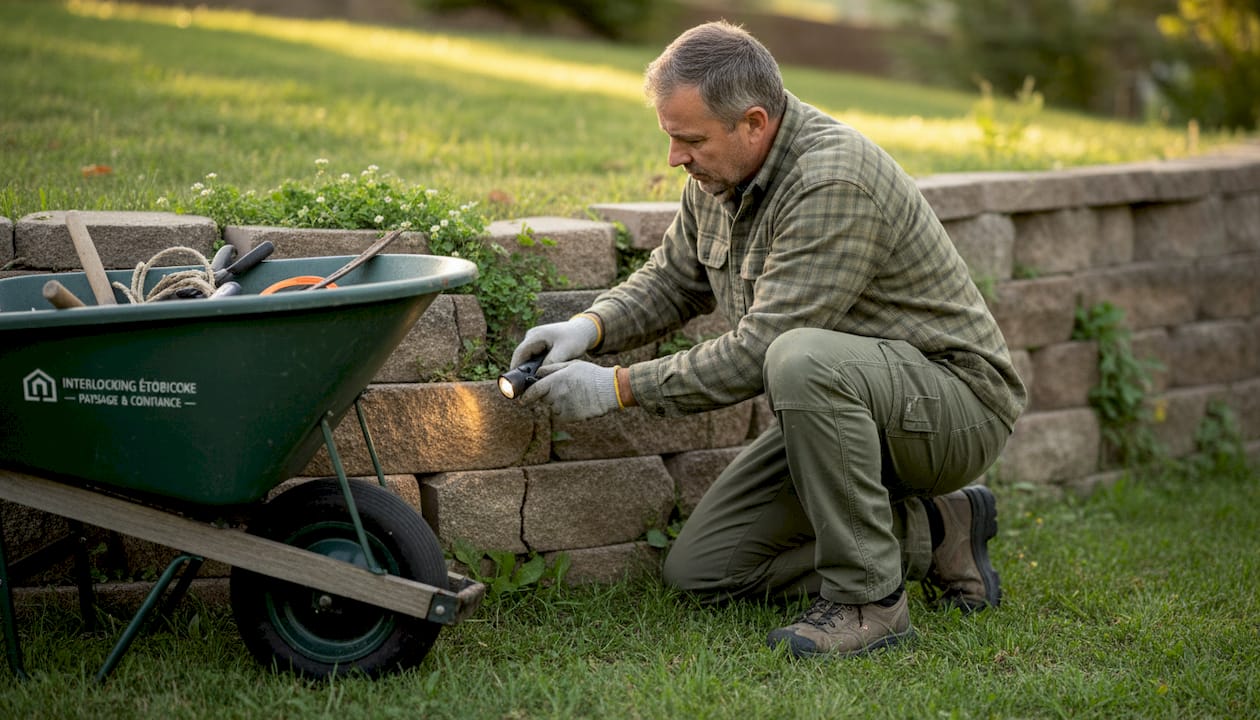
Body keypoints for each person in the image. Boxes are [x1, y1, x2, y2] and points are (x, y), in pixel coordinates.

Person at [509, 20, 1026, 659]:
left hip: (953, 410)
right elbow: (675, 278)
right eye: (671, 138)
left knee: (798, 356)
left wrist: (615, 388)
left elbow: (761, 350)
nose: (675, 157)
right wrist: (588, 327)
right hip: (845, 410)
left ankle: (868, 601)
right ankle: (942, 531)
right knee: (704, 569)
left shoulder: (832, 181)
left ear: (753, 123)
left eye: (689, 139)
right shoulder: (719, 176)